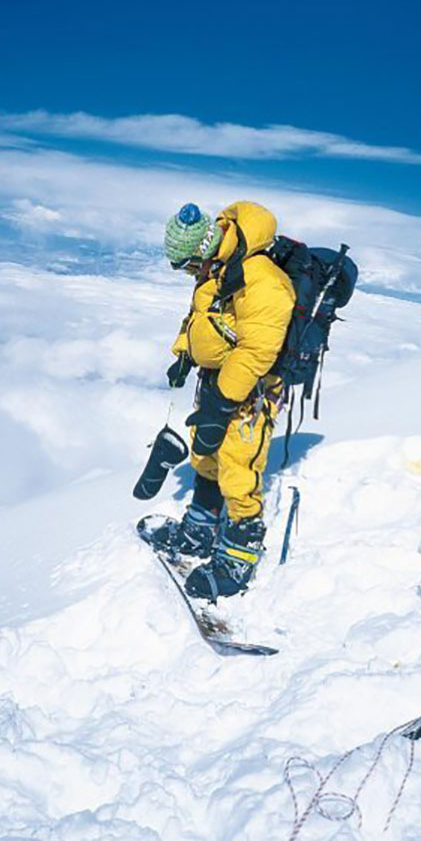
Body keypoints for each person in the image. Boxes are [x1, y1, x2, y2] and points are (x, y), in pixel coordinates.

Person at [147, 200, 295, 601]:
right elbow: (199, 318)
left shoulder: (261, 279)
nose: (185, 273)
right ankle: (199, 529)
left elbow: (257, 351)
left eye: (185, 265)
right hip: (217, 381)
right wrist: (183, 354)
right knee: (206, 455)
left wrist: (223, 403)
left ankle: (238, 556)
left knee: (238, 466)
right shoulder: (217, 270)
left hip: (251, 393)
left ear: (203, 249)